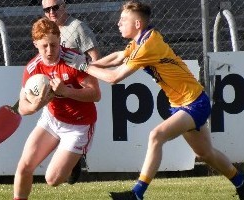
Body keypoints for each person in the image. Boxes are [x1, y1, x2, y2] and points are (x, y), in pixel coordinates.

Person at [64, 1, 244, 200]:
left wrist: (83, 67)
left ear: (138, 24)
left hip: (194, 103)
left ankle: (137, 194)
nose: (118, 23)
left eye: (123, 20)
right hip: (183, 103)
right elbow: (117, 57)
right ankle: (241, 183)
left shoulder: (147, 45)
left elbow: (114, 78)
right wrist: (84, 65)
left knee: (156, 136)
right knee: (206, 153)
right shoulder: (142, 40)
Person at [13, 17, 101, 200]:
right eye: (44, 45)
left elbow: (95, 94)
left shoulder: (73, 60)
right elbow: (21, 107)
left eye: (54, 45)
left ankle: (73, 162)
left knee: (52, 179)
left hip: (79, 125)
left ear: (60, 40)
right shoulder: (33, 68)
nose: (50, 50)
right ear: (35, 43)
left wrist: (66, 91)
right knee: (24, 166)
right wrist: (36, 105)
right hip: (51, 119)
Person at [42, 0, 100, 182]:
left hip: (76, 87)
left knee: (74, 126)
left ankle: (74, 161)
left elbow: (95, 55)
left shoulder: (77, 27)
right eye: (47, 9)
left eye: (55, 7)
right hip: (56, 88)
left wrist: (89, 76)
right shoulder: (47, 29)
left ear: (64, 6)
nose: (51, 12)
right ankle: (70, 162)